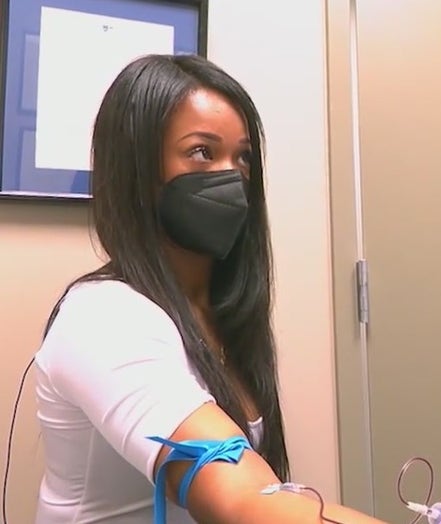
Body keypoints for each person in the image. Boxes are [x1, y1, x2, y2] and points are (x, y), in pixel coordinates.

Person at [34, 54, 385, 524]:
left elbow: (269, 489)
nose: (232, 176)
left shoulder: (222, 314)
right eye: (202, 152)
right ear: (138, 169)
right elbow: (242, 500)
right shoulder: (104, 317)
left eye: (242, 157)